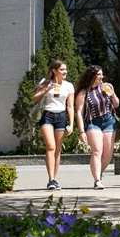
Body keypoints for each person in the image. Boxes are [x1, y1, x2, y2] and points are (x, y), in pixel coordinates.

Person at [32, 60, 75, 190]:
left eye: (65, 69)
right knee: (51, 147)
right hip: (47, 116)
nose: (65, 72)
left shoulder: (68, 86)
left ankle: (54, 179)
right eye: (62, 70)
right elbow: (34, 99)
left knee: (57, 150)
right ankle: (50, 179)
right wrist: (45, 89)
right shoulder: (45, 82)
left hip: (61, 117)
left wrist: (72, 124)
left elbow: (70, 106)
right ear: (54, 71)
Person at [75, 65, 119, 190]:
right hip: (93, 122)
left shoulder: (106, 87)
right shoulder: (84, 92)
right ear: (92, 76)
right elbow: (79, 112)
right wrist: (81, 131)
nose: (101, 77)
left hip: (109, 121)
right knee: (97, 151)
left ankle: (98, 172)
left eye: (102, 74)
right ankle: (97, 180)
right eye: (99, 74)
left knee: (108, 155)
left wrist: (112, 94)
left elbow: (116, 104)